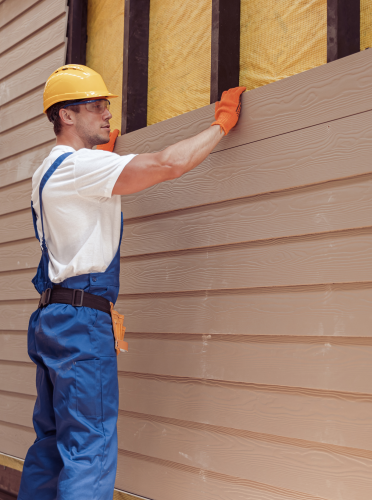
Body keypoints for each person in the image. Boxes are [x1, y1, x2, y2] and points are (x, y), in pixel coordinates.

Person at [18, 64, 245, 500]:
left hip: (52, 317)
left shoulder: (48, 170)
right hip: (82, 322)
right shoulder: (81, 167)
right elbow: (168, 164)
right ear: (67, 116)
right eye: (97, 105)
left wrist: (105, 156)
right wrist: (220, 124)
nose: (106, 113)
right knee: (90, 448)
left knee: (52, 443)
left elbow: (85, 199)